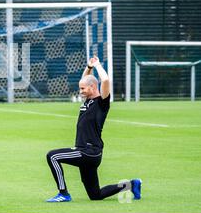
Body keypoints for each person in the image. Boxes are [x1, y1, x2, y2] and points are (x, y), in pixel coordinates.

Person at [45, 56, 142, 202]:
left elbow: (105, 81)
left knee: (52, 156)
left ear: (93, 87)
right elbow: (86, 80)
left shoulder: (101, 103)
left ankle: (63, 194)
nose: (81, 91)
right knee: (95, 195)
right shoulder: (88, 100)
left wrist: (97, 65)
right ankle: (131, 184)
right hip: (88, 153)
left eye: (83, 88)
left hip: (88, 152)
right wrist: (89, 67)